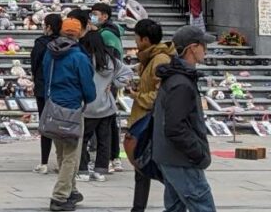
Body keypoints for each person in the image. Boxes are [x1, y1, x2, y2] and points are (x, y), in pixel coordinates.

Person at [153, 26, 217, 212]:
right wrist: (197, 153)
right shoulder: (180, 83)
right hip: (181, 158)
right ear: (192, 48)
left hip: (171, 156)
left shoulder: (177, 78)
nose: (206, 49)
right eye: (203, 45)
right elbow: (175, 126)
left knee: (175, 207)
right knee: (203, 206)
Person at [42, 18, 97, 211]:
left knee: (61, 151)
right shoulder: (79, 57)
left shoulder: (50, 53)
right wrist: (89, 98)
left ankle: (71, 190)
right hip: (72, 108)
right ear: (78, 33)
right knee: (71, 155)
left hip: (53, 106)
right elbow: (89, 88)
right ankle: (59, 196)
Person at [127, 19, 172, 212]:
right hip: (142, 120)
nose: (135, 41)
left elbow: (159, 95)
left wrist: (137, 95)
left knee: (158, 169)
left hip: (150, 122)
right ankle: (138, 208)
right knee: (141, 168)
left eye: (137, 37)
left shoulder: (160, 60)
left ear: (145, 39)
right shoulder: (148, 59)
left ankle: (178, 201)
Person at [77, 32, 132, 182]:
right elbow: (127, 73)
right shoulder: (111, 61)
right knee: (104, 140)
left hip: (87, 106)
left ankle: (82, 169)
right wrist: (114, 84)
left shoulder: (83, 60)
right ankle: (100, 170)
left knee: (82, 140)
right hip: (106, 105)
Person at [91, 2, 125, 172]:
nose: (93, 16)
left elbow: (114, 59)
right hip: (107, 82)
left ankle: (110, 158)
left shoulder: (106, 35)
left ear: (105, 16)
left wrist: (111, 80)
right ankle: (113, 157)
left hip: (106, 82)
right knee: (108, 120)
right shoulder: (110, 31)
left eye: (96, 13)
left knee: (106, 121)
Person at [31, 13, 64, 174]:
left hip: (43, 87)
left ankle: (44, 162)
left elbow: (34, 63)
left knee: (45, 124)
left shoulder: (41, 43)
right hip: (60, 88)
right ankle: (61, 161)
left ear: (48, 27)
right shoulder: (66, 43)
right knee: (60, 124)